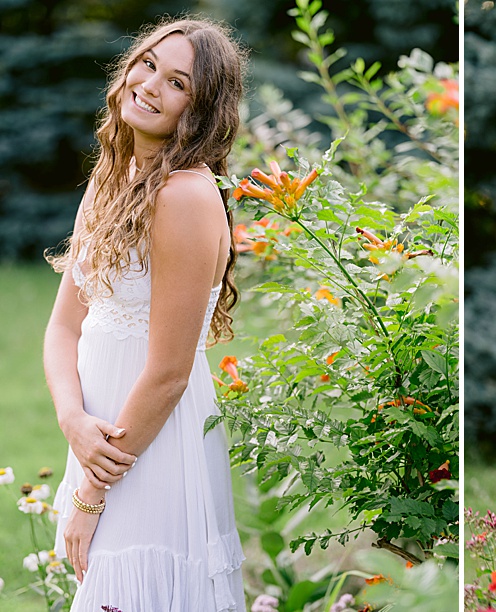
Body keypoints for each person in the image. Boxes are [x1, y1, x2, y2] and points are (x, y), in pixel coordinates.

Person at [43, 17, 247, 611]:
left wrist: (90, 497)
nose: (151, 84)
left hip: (151, 455)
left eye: (178, 81)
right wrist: (72, 421)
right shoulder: (111, 178)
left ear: (202, 107)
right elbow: (63, 325)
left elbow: (167, 374)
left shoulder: (185, 195)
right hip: (96, 442)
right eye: (149, 64)